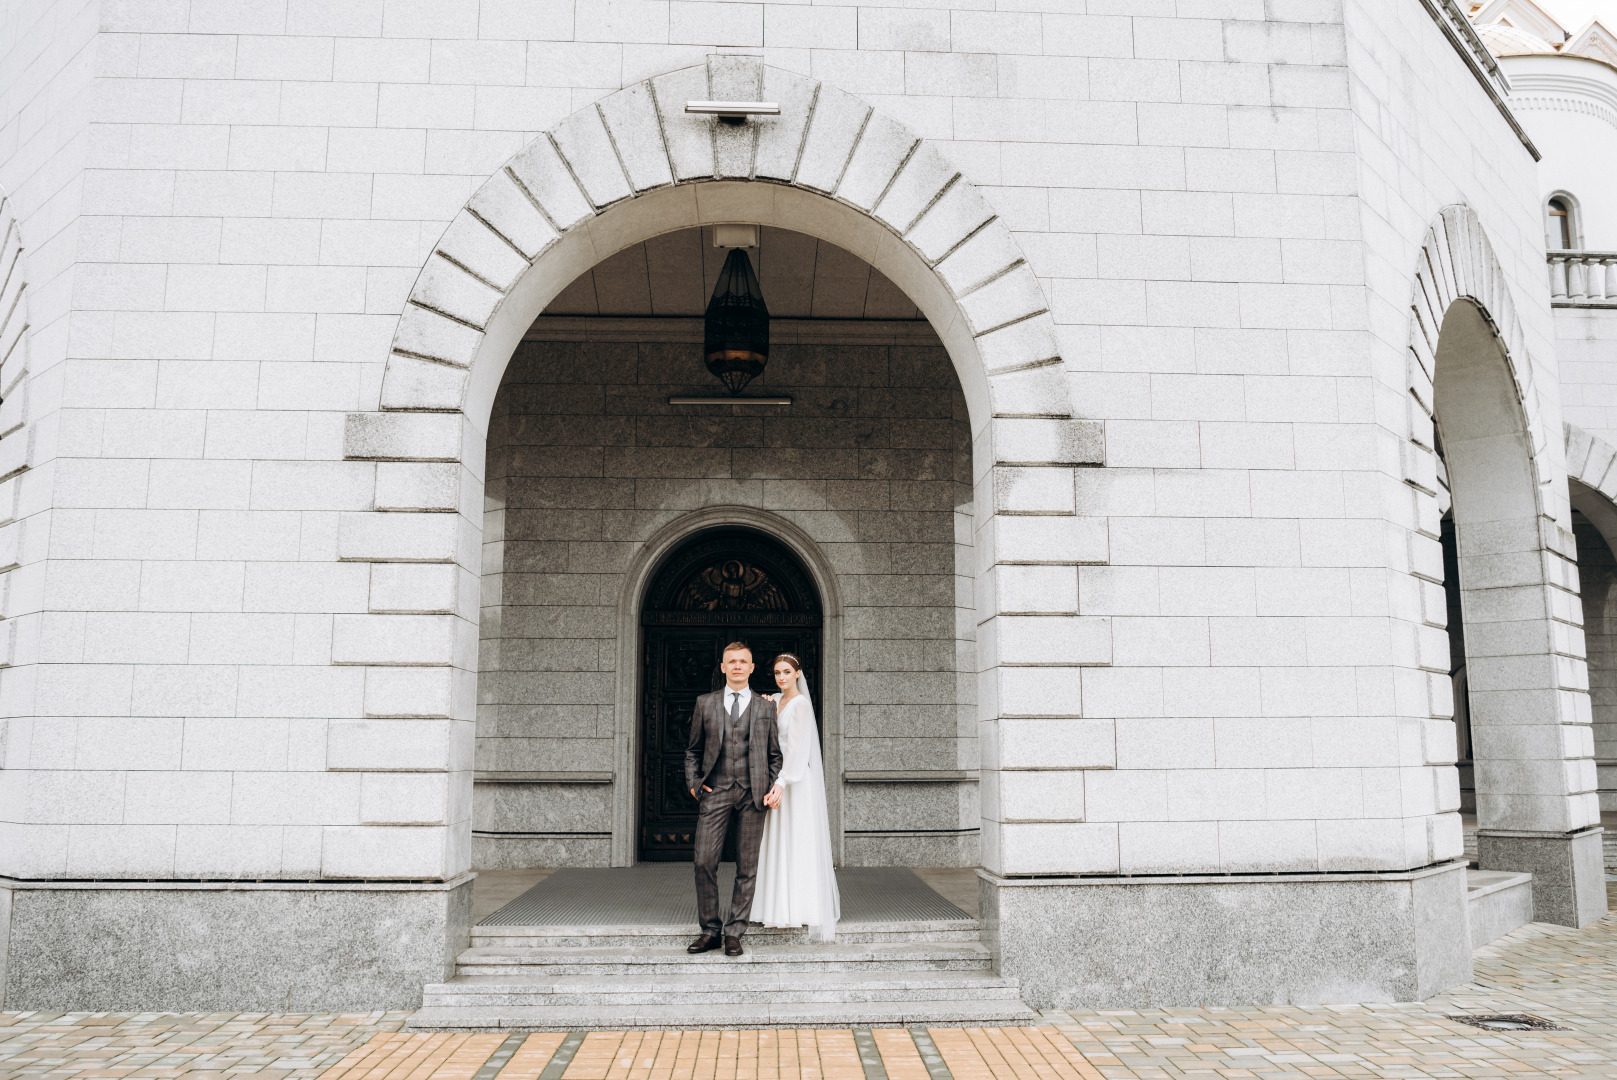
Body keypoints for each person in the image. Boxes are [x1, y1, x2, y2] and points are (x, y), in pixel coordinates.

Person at [684, 641, 782, 957]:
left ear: (752, 668)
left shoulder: (766, 707)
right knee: (704, 860)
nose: (738, 666)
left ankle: (734, 932)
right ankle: (710, 930)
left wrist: (770, 783)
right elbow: (693, 751)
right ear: (723, 667)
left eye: (743, 661)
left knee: (747, 866)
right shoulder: (705, 703)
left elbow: (775, 755)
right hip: (717, 790)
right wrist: (694, 783)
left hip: (754, 793)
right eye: (732, 661)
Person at [754, 652, 841, 942]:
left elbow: (796, 748)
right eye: (777, 672)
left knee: (796, 840)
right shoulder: (776, 701)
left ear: (797, 673)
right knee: (778, 840)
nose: (781, 677)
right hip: (778, 778)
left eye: (786, 672)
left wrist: (782, 782)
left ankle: (799, 908)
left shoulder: (801, 705)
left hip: (794, 781)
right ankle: (778, 908)